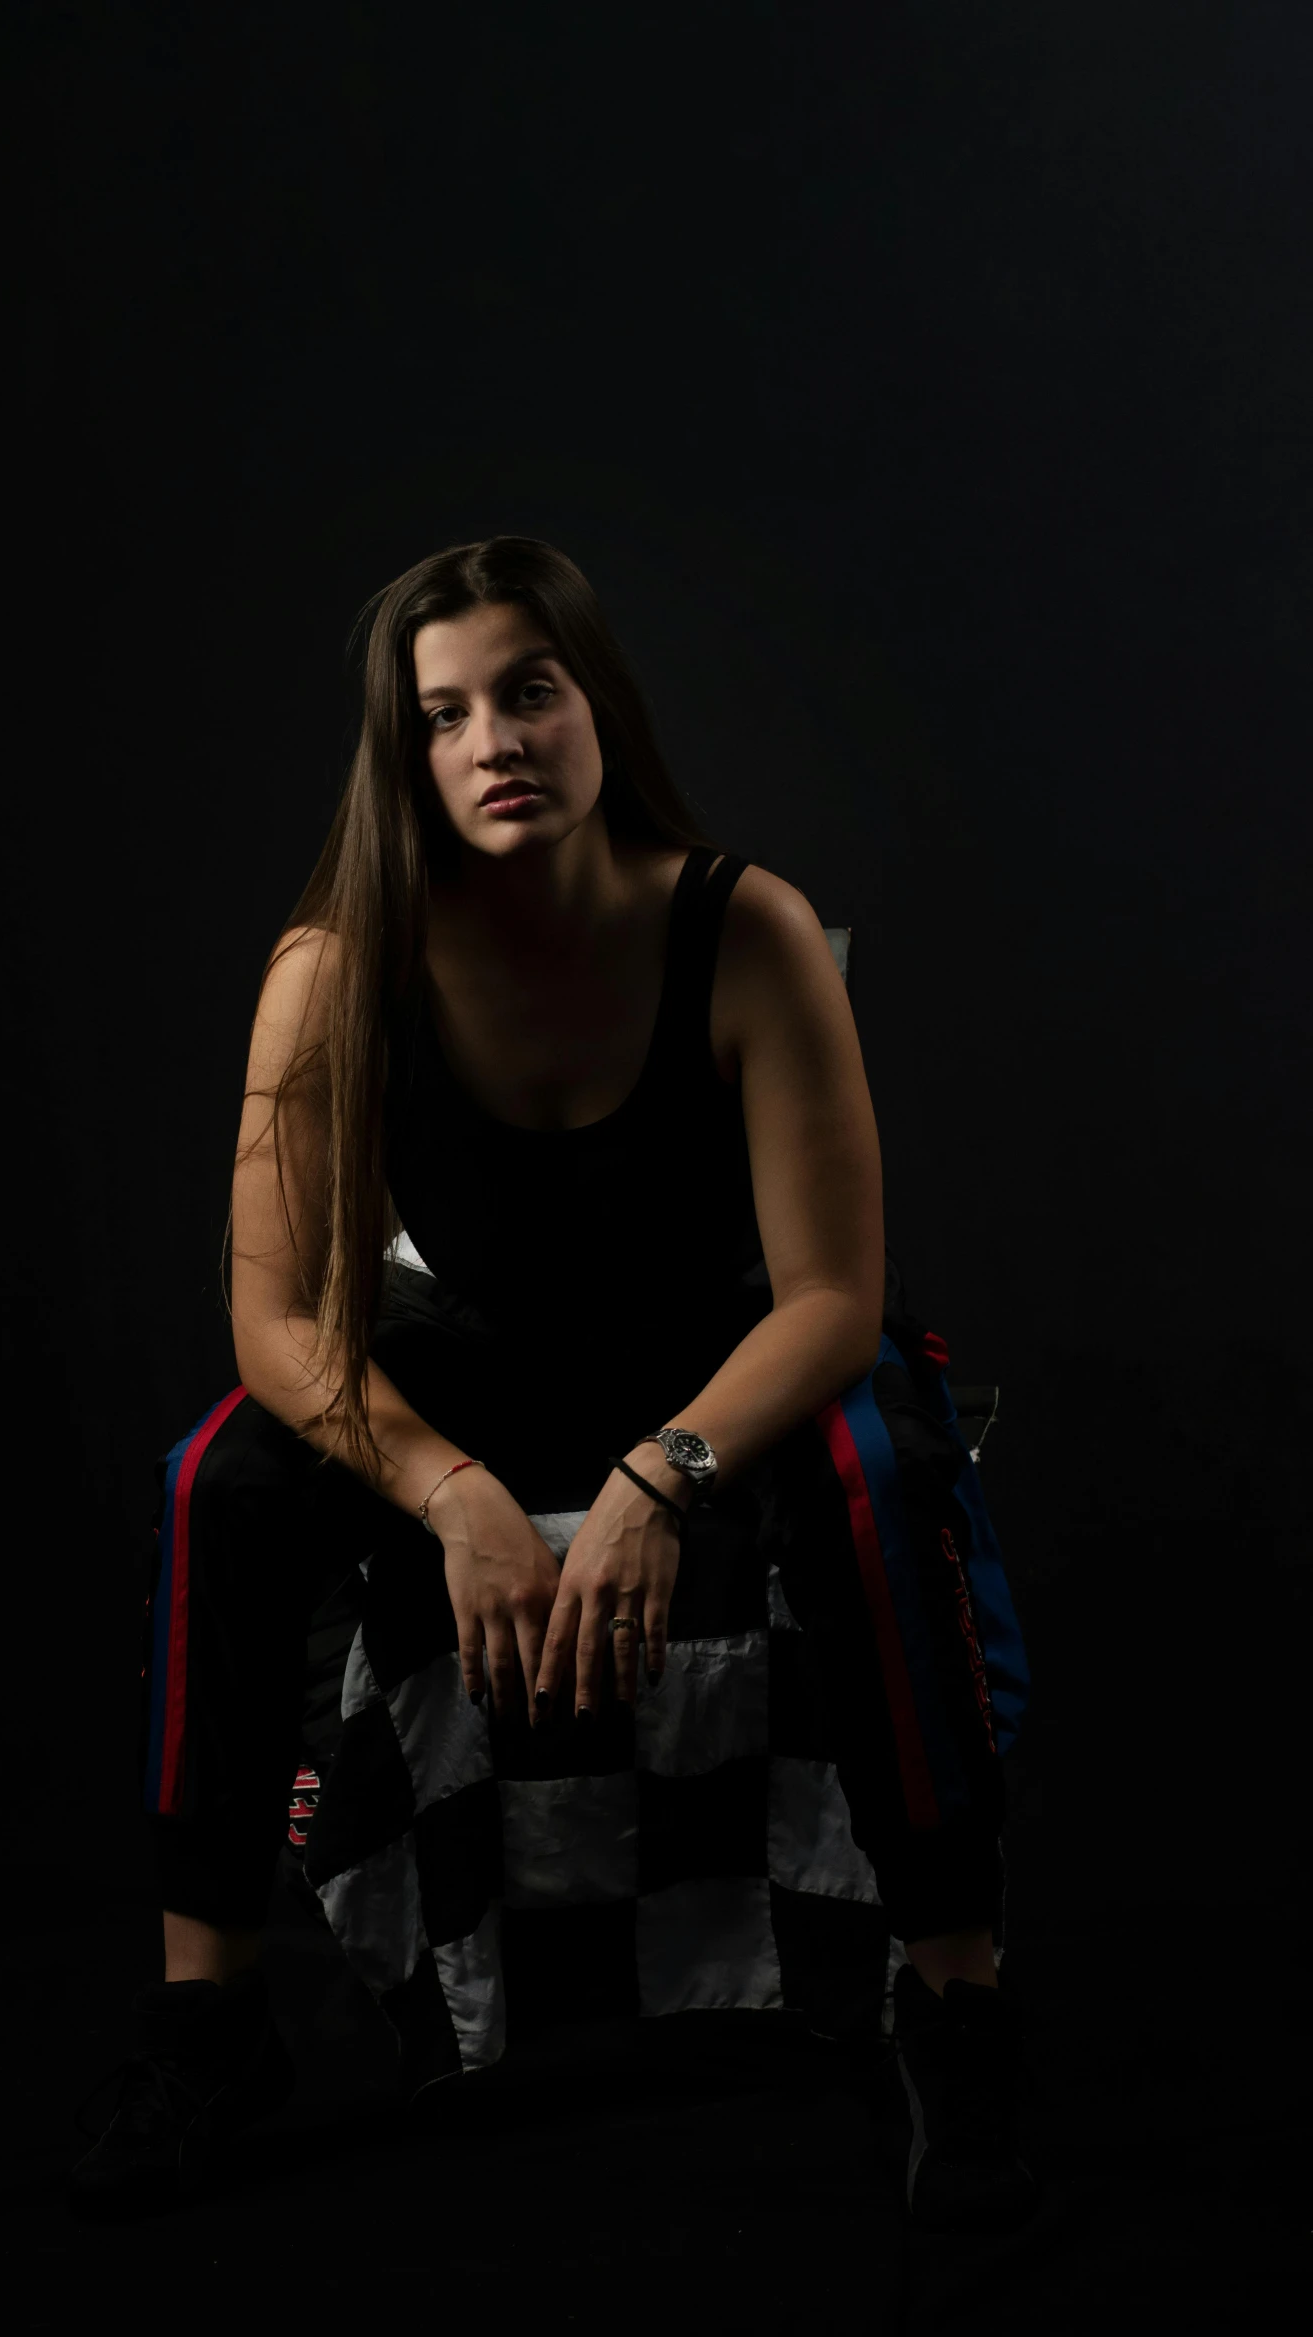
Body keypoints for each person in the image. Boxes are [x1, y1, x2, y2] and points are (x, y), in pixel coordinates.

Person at [69, 537, 1038, 2231]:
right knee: (212, 1475)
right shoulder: (332, 967)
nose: (493, 738)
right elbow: (280, 1326)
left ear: (597, 702)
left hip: (717, 1358)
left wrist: (669, 1475)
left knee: (879, 1465)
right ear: (405, 755)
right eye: (442, 714)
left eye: (527, 689)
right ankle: (206, 2014)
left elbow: (828, 1292)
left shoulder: (747, 930)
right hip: (475, 1370)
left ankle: (952, 1992)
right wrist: (449, 1487)